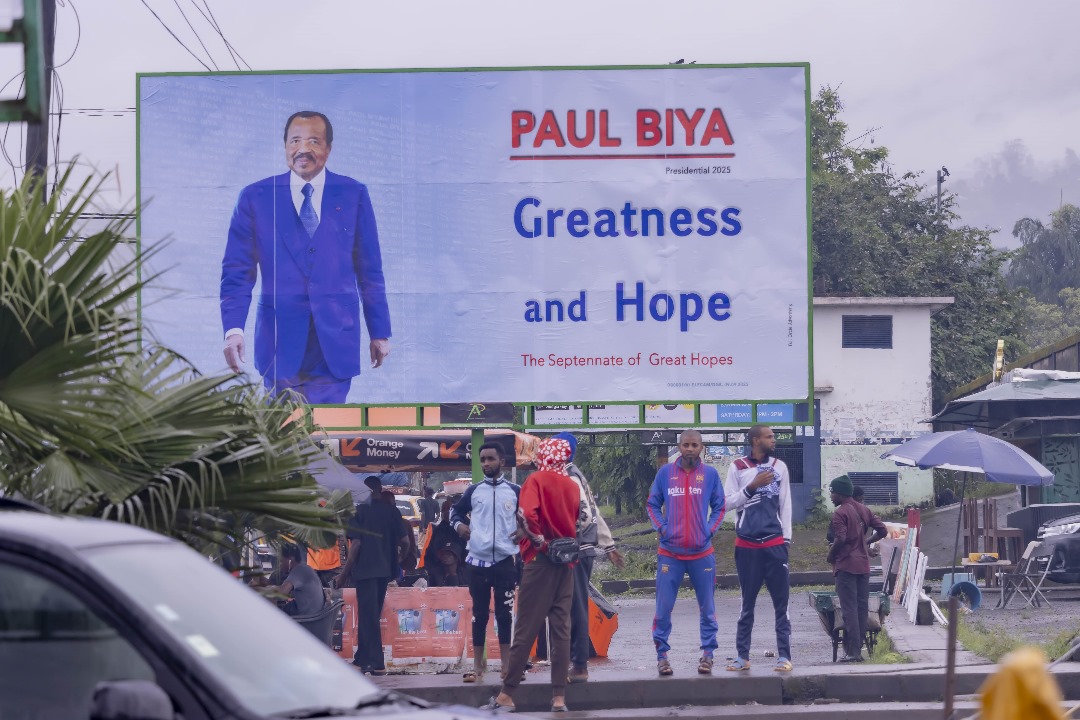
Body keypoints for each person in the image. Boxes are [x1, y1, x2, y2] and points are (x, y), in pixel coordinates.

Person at [220, 110, 391, 403]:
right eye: (295, 140)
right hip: (278, 341)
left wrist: (380, 331)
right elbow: (237, 271)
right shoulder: (256, 197)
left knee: (326, 437)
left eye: (314, 141)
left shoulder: (353, 194)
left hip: (335, 340)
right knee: (283, 437)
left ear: (328, 148)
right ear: (285, 146)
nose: (303, 149)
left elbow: (370, 270)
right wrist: (233, 329)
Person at [483, 437, 581, 713]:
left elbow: (526, 515)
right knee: (561, 629)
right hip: (566, 563)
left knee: (526, 627)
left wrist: (539, 542)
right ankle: (559, 697)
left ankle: (507, 693)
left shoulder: (536, 481)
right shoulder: (572, 485)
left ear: (543, 456)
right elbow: (577, 520)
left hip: (540, 561)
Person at [646, 429, 726, 677]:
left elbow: (720, 507)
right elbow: (652, 504)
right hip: (670, 554)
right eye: (685, 445)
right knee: (664, 608)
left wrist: (708, 531)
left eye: (694, 445)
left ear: (701, 447)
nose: (690, 449)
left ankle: (708, 655)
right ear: (679, 448)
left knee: (707, 608)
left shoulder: (710, 475)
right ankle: (662, 657)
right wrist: (662, 528)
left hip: (702, 554)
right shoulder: (665, 473)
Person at [554, 431, 625, 685]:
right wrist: (608, 545)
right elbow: (595, 512)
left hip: (575, 550)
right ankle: (574, 661)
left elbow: (584, 515)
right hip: (582, 549)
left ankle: (579, 664)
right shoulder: (576, 475)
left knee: (575, 607)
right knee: (574, 605)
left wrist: (561, 531)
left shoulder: (570, 477)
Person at [724, 425, 794, 672]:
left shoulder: (779, 467)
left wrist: (786, 540)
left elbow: (785, 505)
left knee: (781, 604)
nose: (774, 440)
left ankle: (784, 656)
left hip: (775, 544)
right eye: (769, 436)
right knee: (747, 603)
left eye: (773, 436)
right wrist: (751, 486)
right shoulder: (738, 467)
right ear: (755, 440)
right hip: (746, 546)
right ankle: (742, 656)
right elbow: (726, 503)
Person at [450, 443, 521, 683]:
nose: (486, 464)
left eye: (491, 459)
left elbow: (531, 517)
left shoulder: (515, 490)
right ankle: (478, 667)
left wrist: (524, 529)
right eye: (483, 459)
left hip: (505, 562)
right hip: (477, 563)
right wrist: (459, 526)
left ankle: (507, 667)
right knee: (479, 615)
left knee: (505, 615)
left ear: (502, 461)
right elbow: (454, 513)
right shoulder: (473, 491)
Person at [339, 476, 409, 674]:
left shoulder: (359, 511)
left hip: (366, 570)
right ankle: (362, 658)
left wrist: (344, 574)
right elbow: (406, 542)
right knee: (370, 615)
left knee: (368, 617)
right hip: (385, 572)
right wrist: (399, 560)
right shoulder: (392, 511)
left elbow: (357, 545)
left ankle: (377, 663)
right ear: (379, 490)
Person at [827, 475, 887, 663]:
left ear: (840, 493)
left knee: (849, 609)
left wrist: (831, 555)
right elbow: (883, 530)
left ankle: (853, 652)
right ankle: (857, 649)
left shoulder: (840, 513)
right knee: (862, 608)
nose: (830, 496)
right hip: (863, 565)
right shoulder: (864, 509)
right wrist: (865, 541)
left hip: (846, 565)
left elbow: (841, 538)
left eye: (832, 492)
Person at [271, 543, 325, 617]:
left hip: (307, 619)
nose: (280, 565)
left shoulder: (298, 570)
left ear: (291, 560)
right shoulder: (304, 567)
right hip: (313, 615)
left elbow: (281, 593)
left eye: (281, 561)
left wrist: (261, 589)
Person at [422, 499, 468, 587]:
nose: (446, 512)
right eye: (444, 509)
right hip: (439, 574)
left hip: (461, 576)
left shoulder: (465, 528)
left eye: (449, 509)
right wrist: (434, 571)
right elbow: (429, 554)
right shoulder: (438, 530)